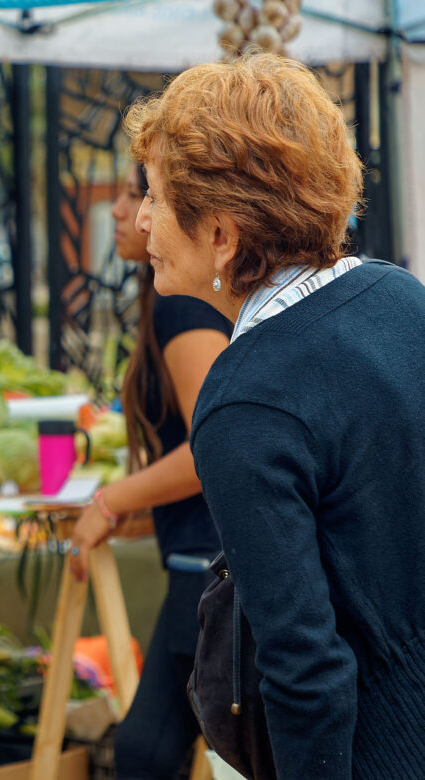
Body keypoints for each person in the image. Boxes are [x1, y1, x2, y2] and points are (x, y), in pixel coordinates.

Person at [127, 51, 425, 777]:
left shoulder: (244, 399)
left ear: (222, 235)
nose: (140, 220)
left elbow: (302, 665)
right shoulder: (401, 296)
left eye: (156, 198)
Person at [66, 163, 230, 778]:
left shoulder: (182, 310)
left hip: (214, 564)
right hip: (209, 561)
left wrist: (113, 500)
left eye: (140, 195)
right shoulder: (176, 300)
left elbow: (213, 444)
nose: (121, 212)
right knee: (155, 747)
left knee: (147, 750)